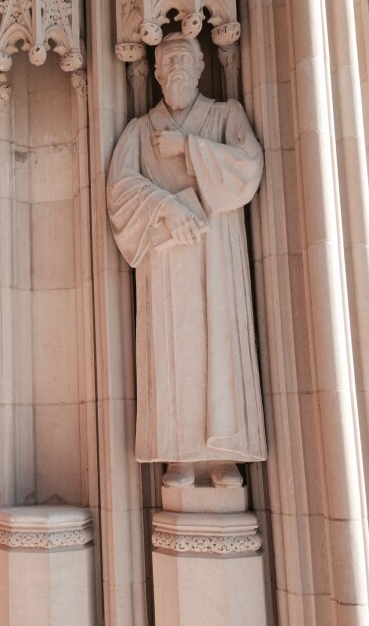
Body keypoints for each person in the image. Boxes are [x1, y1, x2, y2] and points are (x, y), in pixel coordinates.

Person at [107, 32, 266, 488]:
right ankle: (176, 452)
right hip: (165, 257)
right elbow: (119, 190)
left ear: (200, 67)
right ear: (154, 73)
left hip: (216, 253)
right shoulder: (140, 130)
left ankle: (224, 456)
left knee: (220, 343)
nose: (176, 67)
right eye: (167, 60)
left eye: (185, 59)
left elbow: (247, 166)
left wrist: (189, 150)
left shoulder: (224, 115)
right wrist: (165, 208)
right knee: (171, 347)